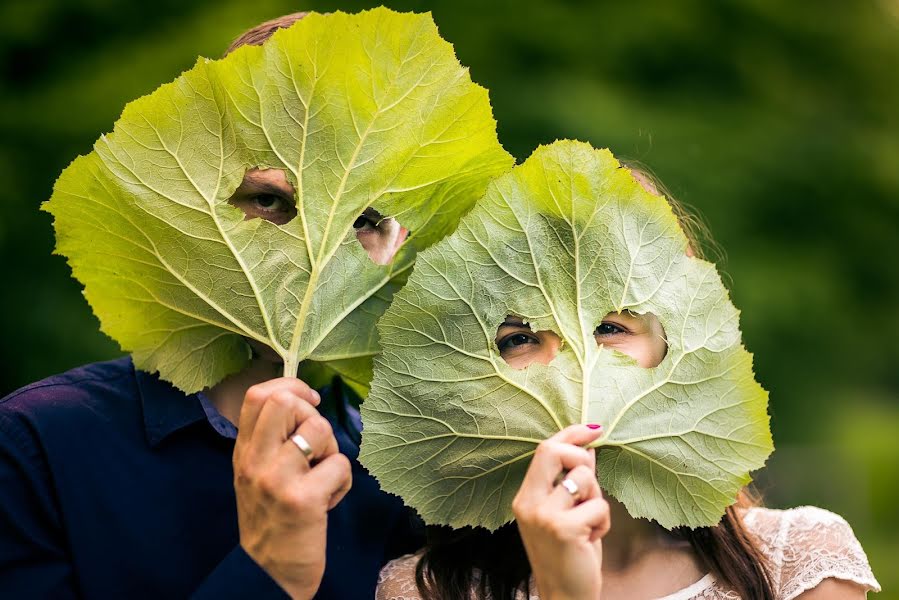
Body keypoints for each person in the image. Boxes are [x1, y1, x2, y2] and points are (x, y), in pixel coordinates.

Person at [0, 13, 421, 599]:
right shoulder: (39, 447)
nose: (316, 248)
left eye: (364, 218)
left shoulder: (420, 477)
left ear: (399, 246)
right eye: (272, 201)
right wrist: (268, 568)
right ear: (199, 205)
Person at [374, 167, 882, 600]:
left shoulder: (802, 563)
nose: (571, 364)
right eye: (520, 338)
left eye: (609, 327)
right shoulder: (424, 589)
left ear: (677, 345)